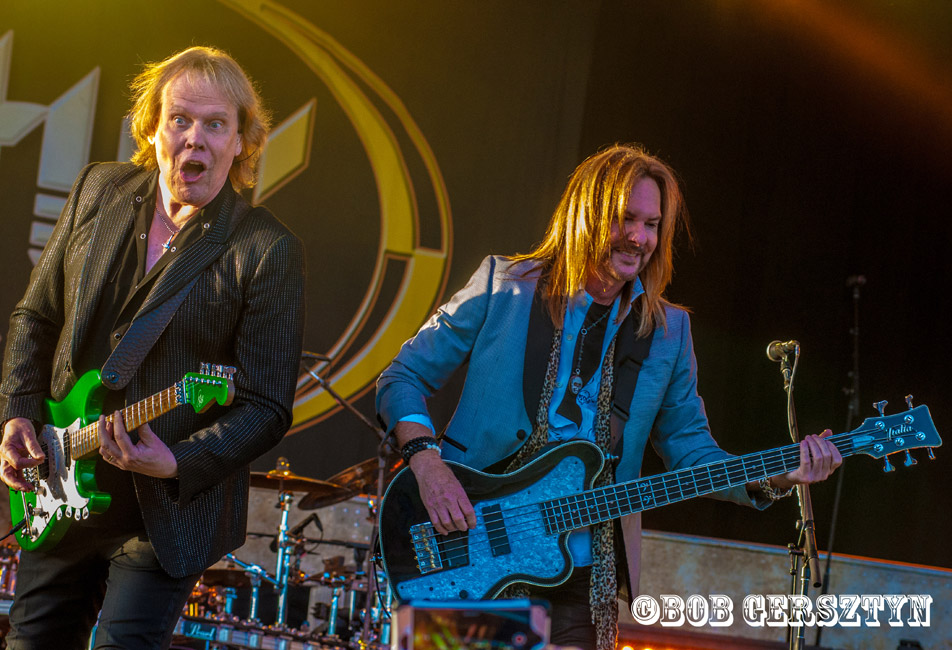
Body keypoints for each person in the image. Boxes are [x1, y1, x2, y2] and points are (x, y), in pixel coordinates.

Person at [376, 144, 841, 650]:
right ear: (587, 213)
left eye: (653, 223)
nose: (641, 238)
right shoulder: (504, 285)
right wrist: (428, 465)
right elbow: (401, 377)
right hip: (468, 542)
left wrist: (778, 473)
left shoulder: (668, 331)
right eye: (626, 219)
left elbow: (691, 450)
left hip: (580, 571)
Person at [0, 46, 305, 649]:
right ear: (152, 127)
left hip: (163, 512)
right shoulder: (99, 189)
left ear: (242, 141)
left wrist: (177, 461)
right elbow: (36, 316)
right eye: (180, 119)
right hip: (61, 481)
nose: (196, 138)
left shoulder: (264, 248)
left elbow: (266, 406)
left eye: (216, 124)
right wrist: (18, 412)